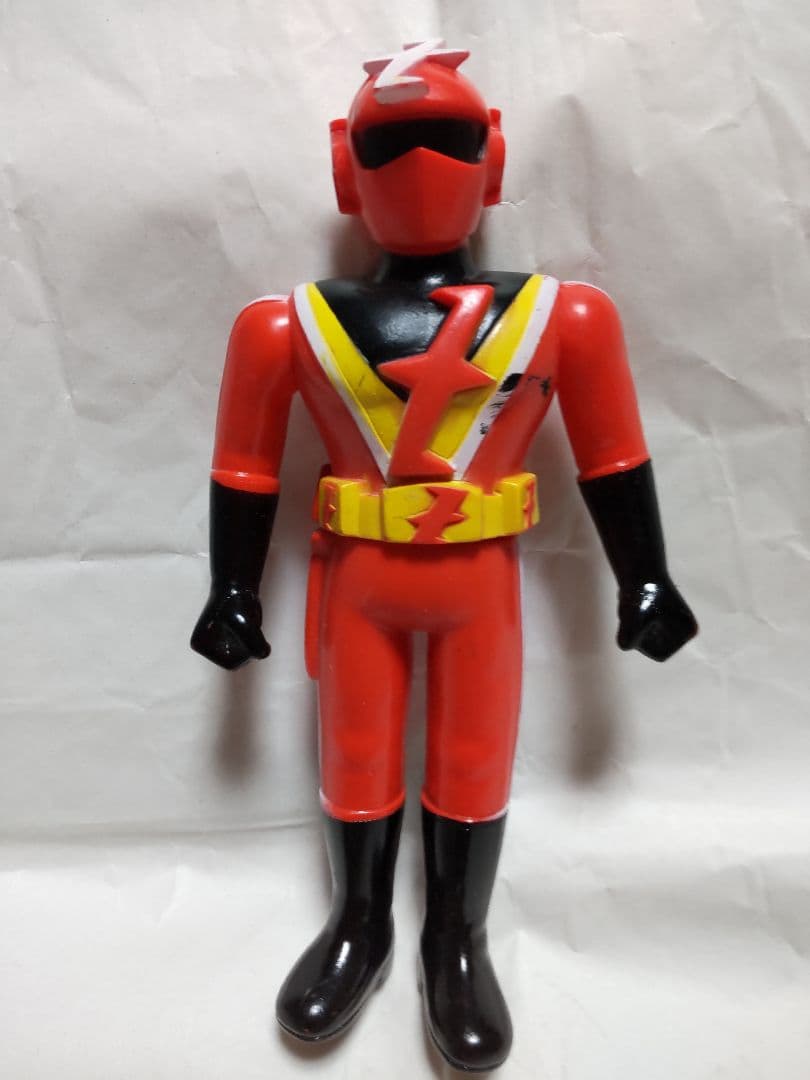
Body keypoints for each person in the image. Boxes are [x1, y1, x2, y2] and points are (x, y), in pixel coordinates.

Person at [191, 39, 698, 1072]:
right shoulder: (285, 326)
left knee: (473, 758)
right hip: (360, 585)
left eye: (450, 138)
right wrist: (233, 588)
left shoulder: (566, 318)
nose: (421, 165)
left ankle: (455, 941)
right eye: (390, 144)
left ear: (492, 158)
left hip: (480, 586)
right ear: (347, 169)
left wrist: (646, 574)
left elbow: (612, 459)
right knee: (355, 754)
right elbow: (244, 469)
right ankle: (361, 923)